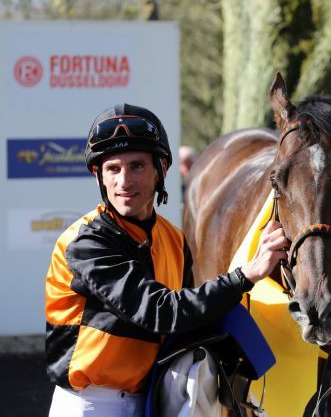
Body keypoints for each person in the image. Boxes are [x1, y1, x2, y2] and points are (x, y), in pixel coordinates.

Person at [45, 103, 289, 417]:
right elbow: (161, 310)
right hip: (90, 405)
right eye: (113, 169)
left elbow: (189, 318)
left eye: (137, 166)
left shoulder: (173, 238)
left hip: (150, 398)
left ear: (161, 169)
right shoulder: (86, 242)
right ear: (99, 176)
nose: (124, 181)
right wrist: (246, 274)